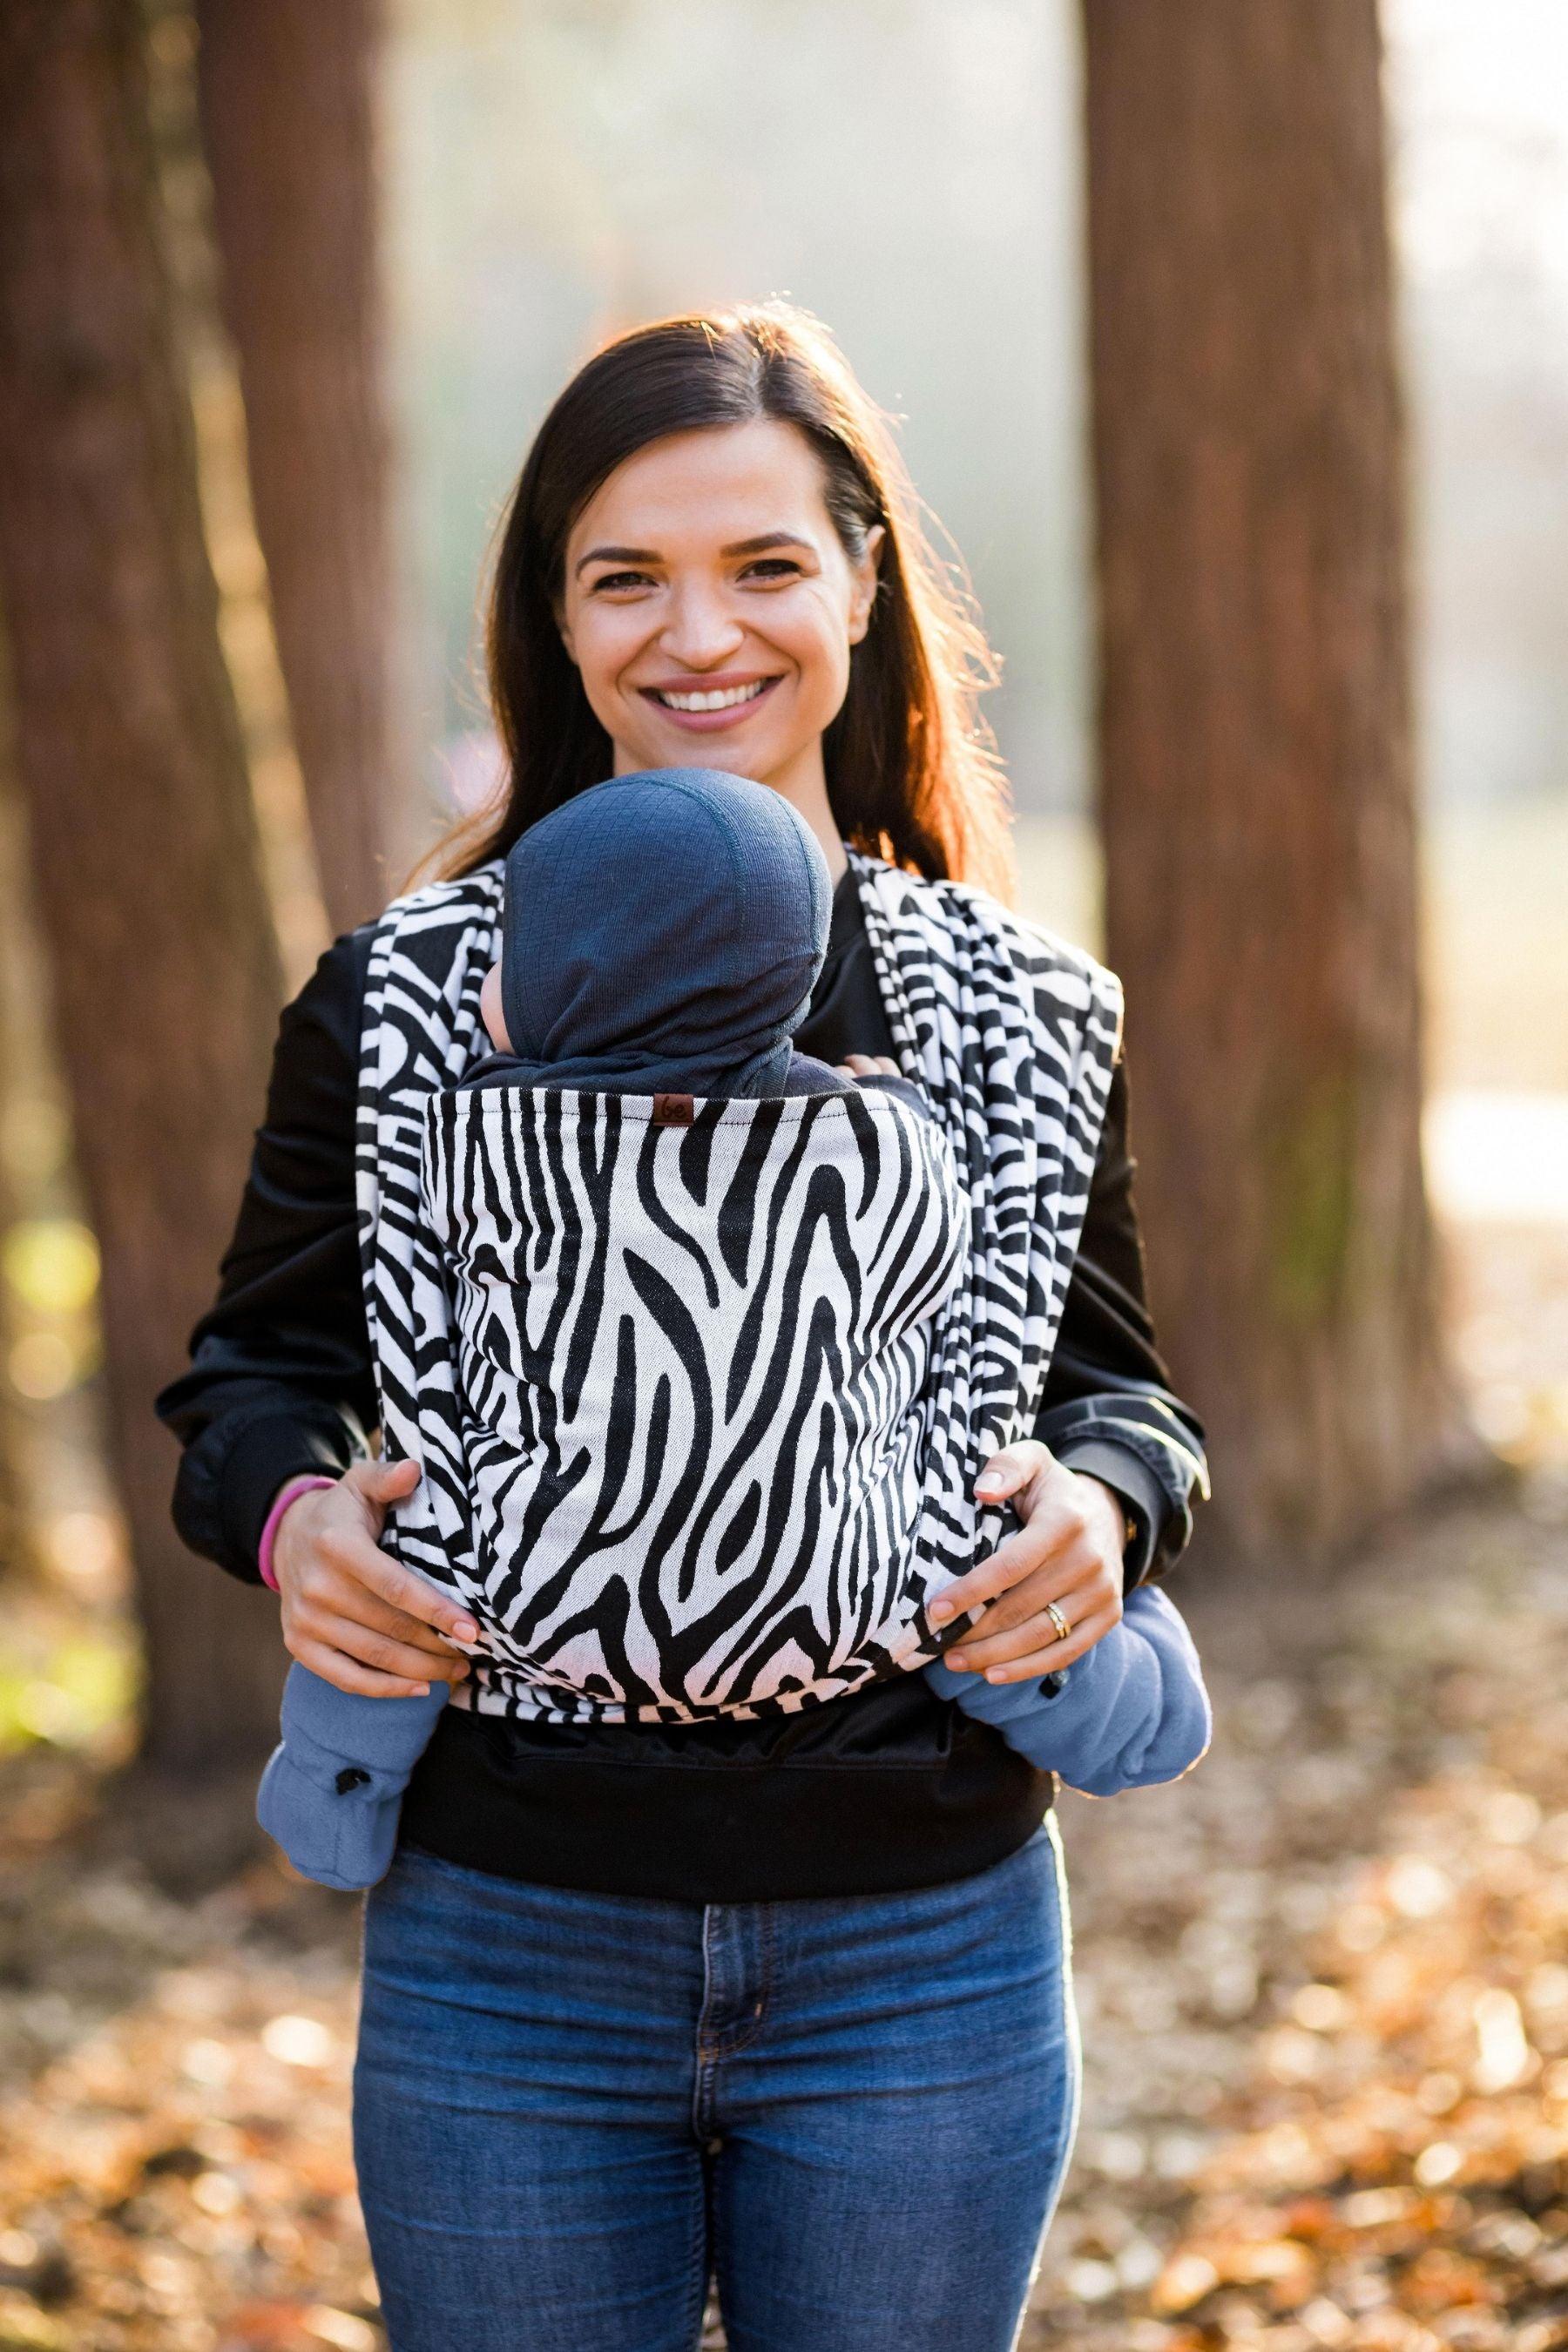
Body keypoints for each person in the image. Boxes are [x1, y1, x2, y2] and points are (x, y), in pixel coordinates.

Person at [157, 302, 1210, 2352]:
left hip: (930, 1947)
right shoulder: (394, 1004)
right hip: (504, 1944)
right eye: (623, 576)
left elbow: (1121, 1392)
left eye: (762, 566)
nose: (695, 633)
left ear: (860, 587)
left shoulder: (1018, 1008)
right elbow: (246, 1385)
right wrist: (304, 1531)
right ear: (554, 622)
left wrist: (1106, 1509)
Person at [253, 766, 1210, 1896]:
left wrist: (1113, 1490)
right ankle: (1126, 1718)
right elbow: (943, 1283)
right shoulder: (888, 1142)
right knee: (961, 1564)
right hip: (855, 1593)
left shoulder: (474, 1134)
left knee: (419, 1551)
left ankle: (337, 1788)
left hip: (530, 1598)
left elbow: (427, 1297)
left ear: (573, 978)